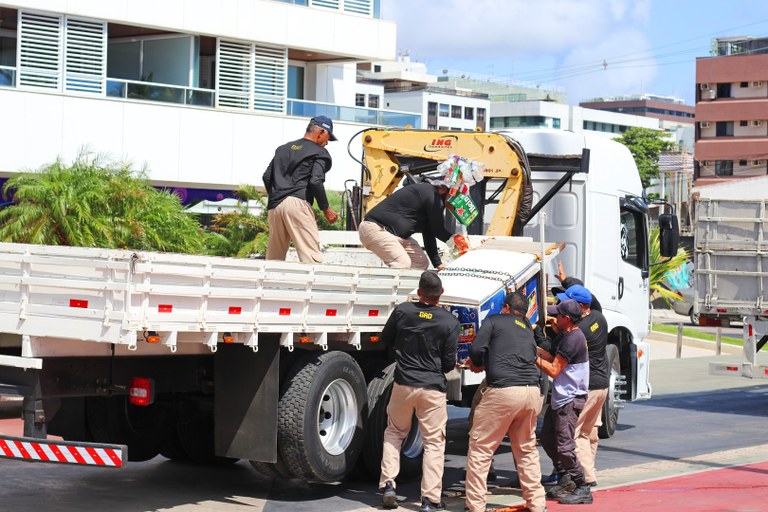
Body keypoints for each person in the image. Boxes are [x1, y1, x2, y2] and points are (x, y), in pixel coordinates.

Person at [379, 271, 459, 512]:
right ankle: (429, 500)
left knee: (394, 433)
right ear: (441, 293)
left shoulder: (403, 311)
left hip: (403, 383)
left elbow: (386, 340)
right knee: (434, 443)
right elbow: (448, 363)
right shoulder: (449, 321)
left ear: (419, 291)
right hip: (432, 388)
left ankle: (389, 485)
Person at [464, 292, 547, 512]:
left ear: (506, 307)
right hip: (531, 392)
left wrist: (477, 363)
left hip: (503, 391)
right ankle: (537, 504)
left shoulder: (493, 321)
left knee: (481, 449)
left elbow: (475, 349)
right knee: (526, 450)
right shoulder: (528, 330)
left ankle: (476, 506)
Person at [536, 299, 593, 505]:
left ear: (566, 319)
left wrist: (531, 357)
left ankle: (582, 485)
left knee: (565, 447)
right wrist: (533, 348)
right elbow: (552, 357)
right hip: (562, 397)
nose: (554, 317)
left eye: (558, 315)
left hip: (570, 399)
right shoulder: (567, 335)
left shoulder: (573, 339)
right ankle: (566, 476)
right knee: (548, 437)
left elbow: (553, 369)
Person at [262, 116, 339, 263]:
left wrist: (277, 195)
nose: (327, 142)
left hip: (274, 207)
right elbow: (315, 181)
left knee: (273, 261)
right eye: (328, 137)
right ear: (321, 132)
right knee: (311, 259)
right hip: (297, 203)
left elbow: (266, 177)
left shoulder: (282, 149)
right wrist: (326, 209)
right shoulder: (319, 152)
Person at [557, 284, 609, 490]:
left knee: (576, 433)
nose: (562, 305)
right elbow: (592, 297)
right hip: (602, 385)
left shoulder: (580, 331)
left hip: (588, 385)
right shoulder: (599, 317)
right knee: (590, 432)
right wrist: (567, 281)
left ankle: (584, 477)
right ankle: (589, 470)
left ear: (579, 307)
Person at [358, 179, 454, 270]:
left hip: (395, 235)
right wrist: (458, 242)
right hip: (377, 228)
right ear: (443, 189)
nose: (455, 202)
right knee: (402, 263)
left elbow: (430, 233)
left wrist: (437, 263)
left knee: (420, 263)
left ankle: (407, 287)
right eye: (454, 195)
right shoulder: (431, 194)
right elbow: (438, 230)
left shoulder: (431, 203)